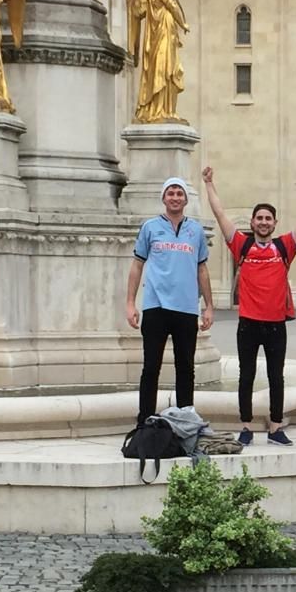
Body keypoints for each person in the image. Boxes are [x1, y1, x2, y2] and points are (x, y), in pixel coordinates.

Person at [202, 166, 296, 447]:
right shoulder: (241, 245)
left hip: (275, 324)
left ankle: (275, 427)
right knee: (246, 376)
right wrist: (209, 184)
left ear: (275, 223)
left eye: (268, 219)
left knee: (277, 376)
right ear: (252, 222)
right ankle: (246, 427)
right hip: (248, 323)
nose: (263, 222)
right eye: (259, 218)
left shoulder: (284, 247)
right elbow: (220, 214)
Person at [126, 178, 214, 427]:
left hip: (186, 308)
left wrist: (208, 306)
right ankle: (144, 420)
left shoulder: (195, 230)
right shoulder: (150, 227)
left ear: (186, 200)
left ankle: (186, 418)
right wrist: (130, 303)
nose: (175, 197)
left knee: (185, 367)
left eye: (179, 193)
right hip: (156, 306)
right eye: (170, 193)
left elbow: (202, 269)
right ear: (164, 198)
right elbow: (137, 265)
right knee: (151, 366)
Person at [126, 0, 189, 123]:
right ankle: (161, 110)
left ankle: (165, 110)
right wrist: (183, 24)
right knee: (166, 71)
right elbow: (172, 5)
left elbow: (138, 9)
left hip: (163, 36)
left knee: (168, 72)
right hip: (162, 36)